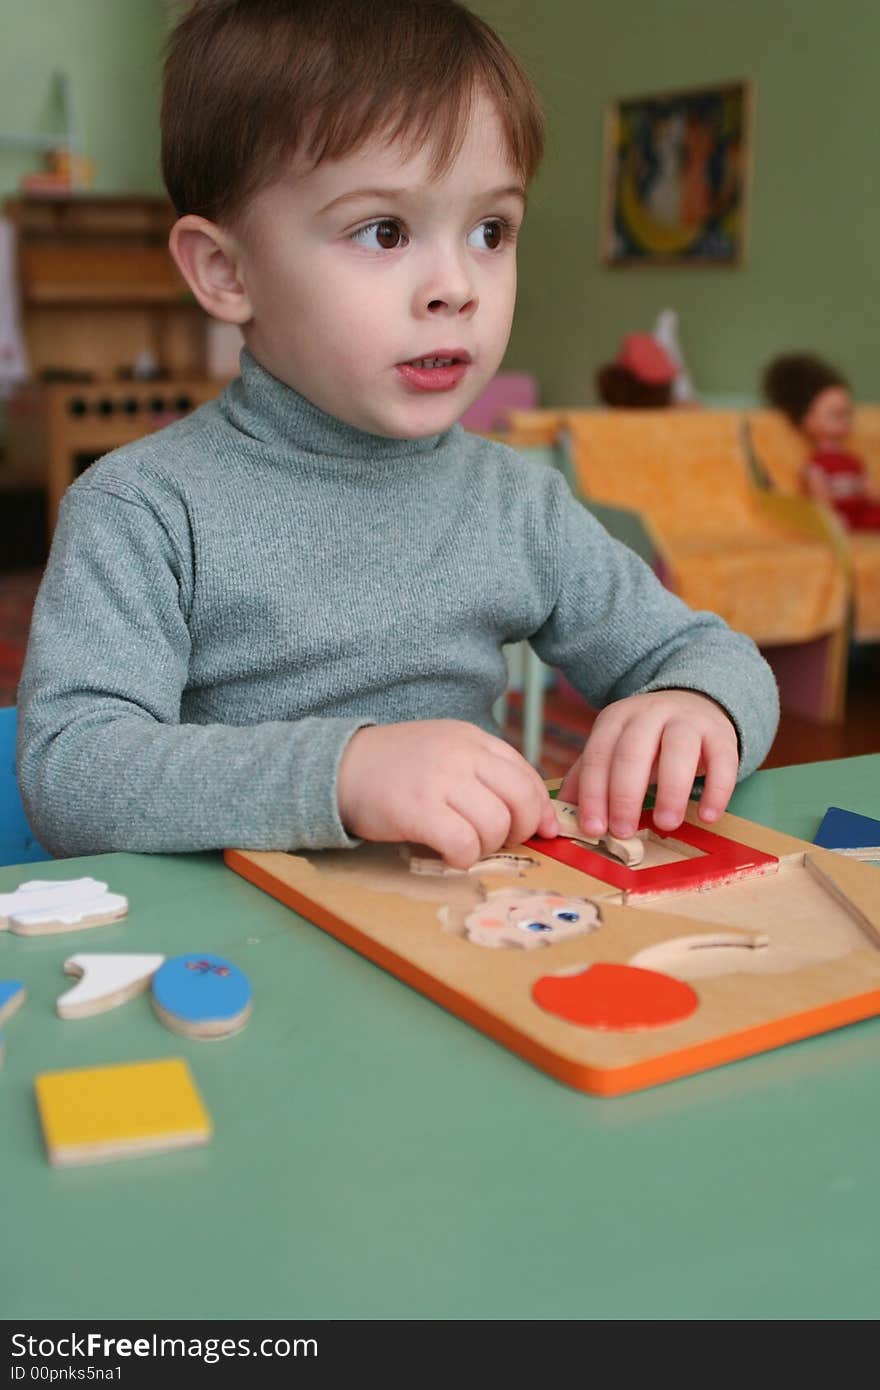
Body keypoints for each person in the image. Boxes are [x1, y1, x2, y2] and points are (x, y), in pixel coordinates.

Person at [17, 0, 779, 867]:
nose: (456, 286)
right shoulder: (142, 508)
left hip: (467, 944)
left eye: (491, 230)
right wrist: (344, 772)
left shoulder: (518, 502)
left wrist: (696, 704)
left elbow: (709, 653)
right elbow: (70, 773)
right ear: (227, 272)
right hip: (229, 965)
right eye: (384, 231)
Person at [762, 352, 880, 531]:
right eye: (836, 414)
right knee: (838, 522)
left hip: (862, 512)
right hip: (842, 515)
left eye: (848, 414)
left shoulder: (853, 460)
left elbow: (870, 491)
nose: (845, 421)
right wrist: (829, 516)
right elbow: (821, 500)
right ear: (806, 419)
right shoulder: (816, 466)